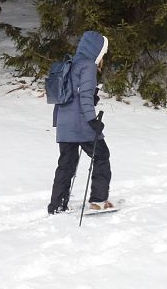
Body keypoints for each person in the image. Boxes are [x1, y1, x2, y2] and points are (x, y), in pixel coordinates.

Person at [48, 31, 114, 214]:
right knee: (102, 156)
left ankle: (57, 205)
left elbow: (74, 94)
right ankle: (98, 200)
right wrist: (92, 120)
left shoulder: (69, 64)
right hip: (81, 123)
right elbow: (84, 95)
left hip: (64, 123)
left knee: (66, 164)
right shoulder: (88, 66)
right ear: (97, 50)